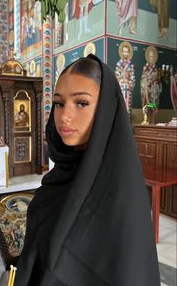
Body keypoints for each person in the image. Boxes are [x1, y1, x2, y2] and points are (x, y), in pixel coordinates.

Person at [14, 54, 160, 285]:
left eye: (81, 103)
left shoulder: (123, 195)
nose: (65, 117)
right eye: (59, 104)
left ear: (106, 109)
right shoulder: (61, 173)